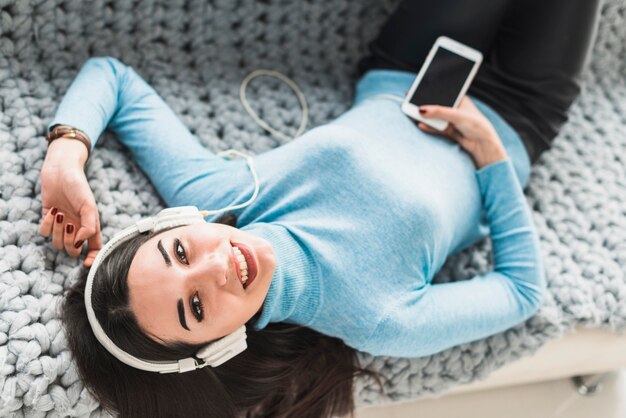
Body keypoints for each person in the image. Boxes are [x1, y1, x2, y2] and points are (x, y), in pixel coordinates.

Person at [39, 1, 602, 417]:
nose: (215, 267)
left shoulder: (223, 194)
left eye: (179, 251)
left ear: (173, 224)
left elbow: (112, 78)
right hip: (521, 111)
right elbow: (522, 292)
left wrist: (66, 153)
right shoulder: (378, 319)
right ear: (223, 345)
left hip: (412, 66)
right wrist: (491, 157)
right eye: (195, 308)